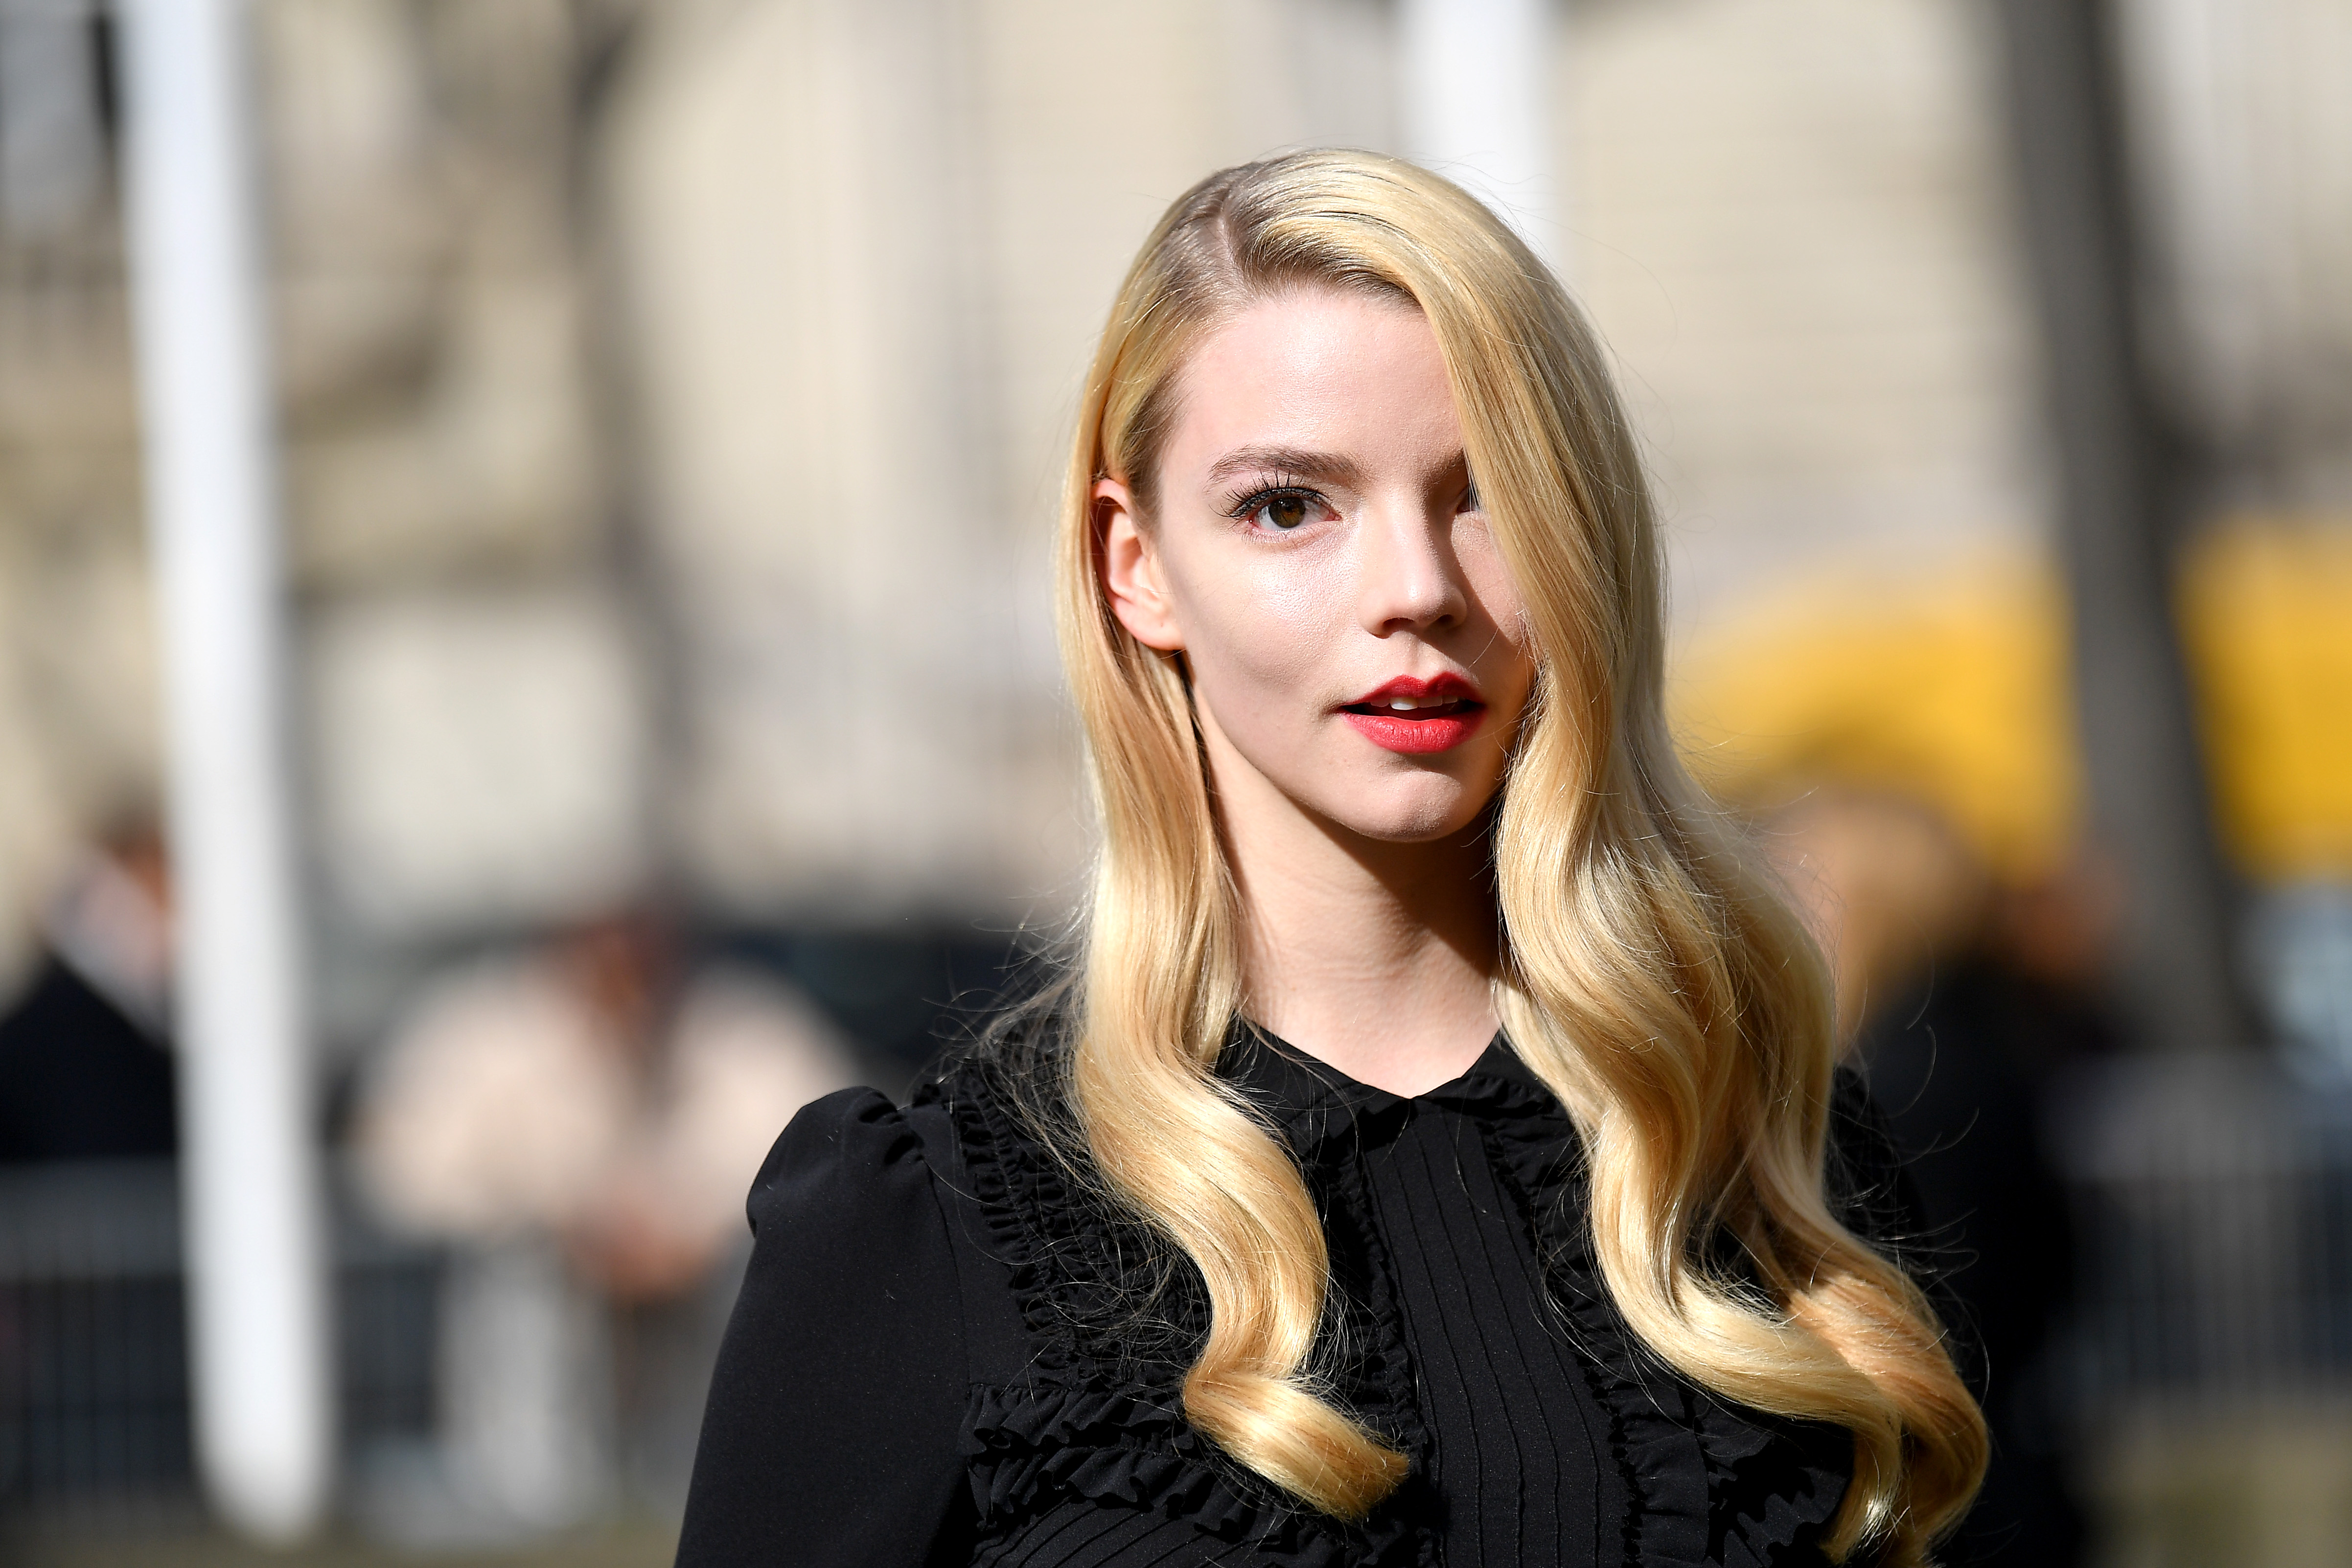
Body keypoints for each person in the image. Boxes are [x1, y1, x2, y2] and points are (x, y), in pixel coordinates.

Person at [676, 151, 1987, 1568]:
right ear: (1138, 565)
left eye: (1486, 492)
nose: (1415, 589)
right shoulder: (925, 1233)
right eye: (1291, 506)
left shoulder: (1763, 1150)